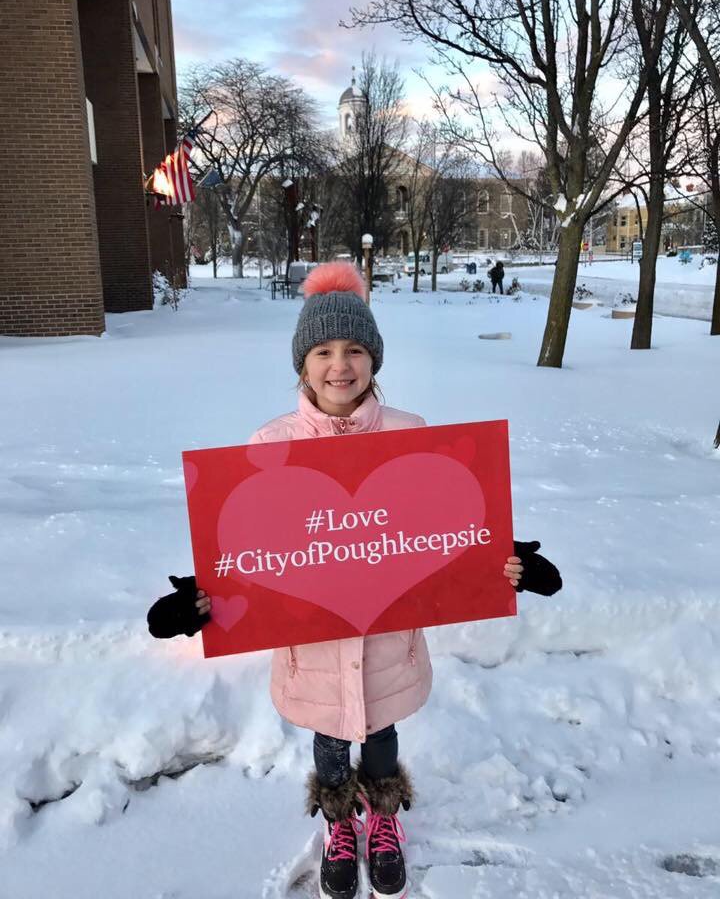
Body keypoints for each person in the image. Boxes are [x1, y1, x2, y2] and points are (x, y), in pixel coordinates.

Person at [147, 261, 562, 899]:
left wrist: (500, 564)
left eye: (354, 350)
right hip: (311, 648)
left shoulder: (410, 435)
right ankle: (340, 823)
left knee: (382, 732)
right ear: (302, 364)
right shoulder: (270, 445)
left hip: (390, 645)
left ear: (374, 359)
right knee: (330, 736)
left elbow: (442, 528)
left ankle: (384, 816)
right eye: (323, 351)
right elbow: (252, 545)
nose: (339, 366)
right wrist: (204, 600)